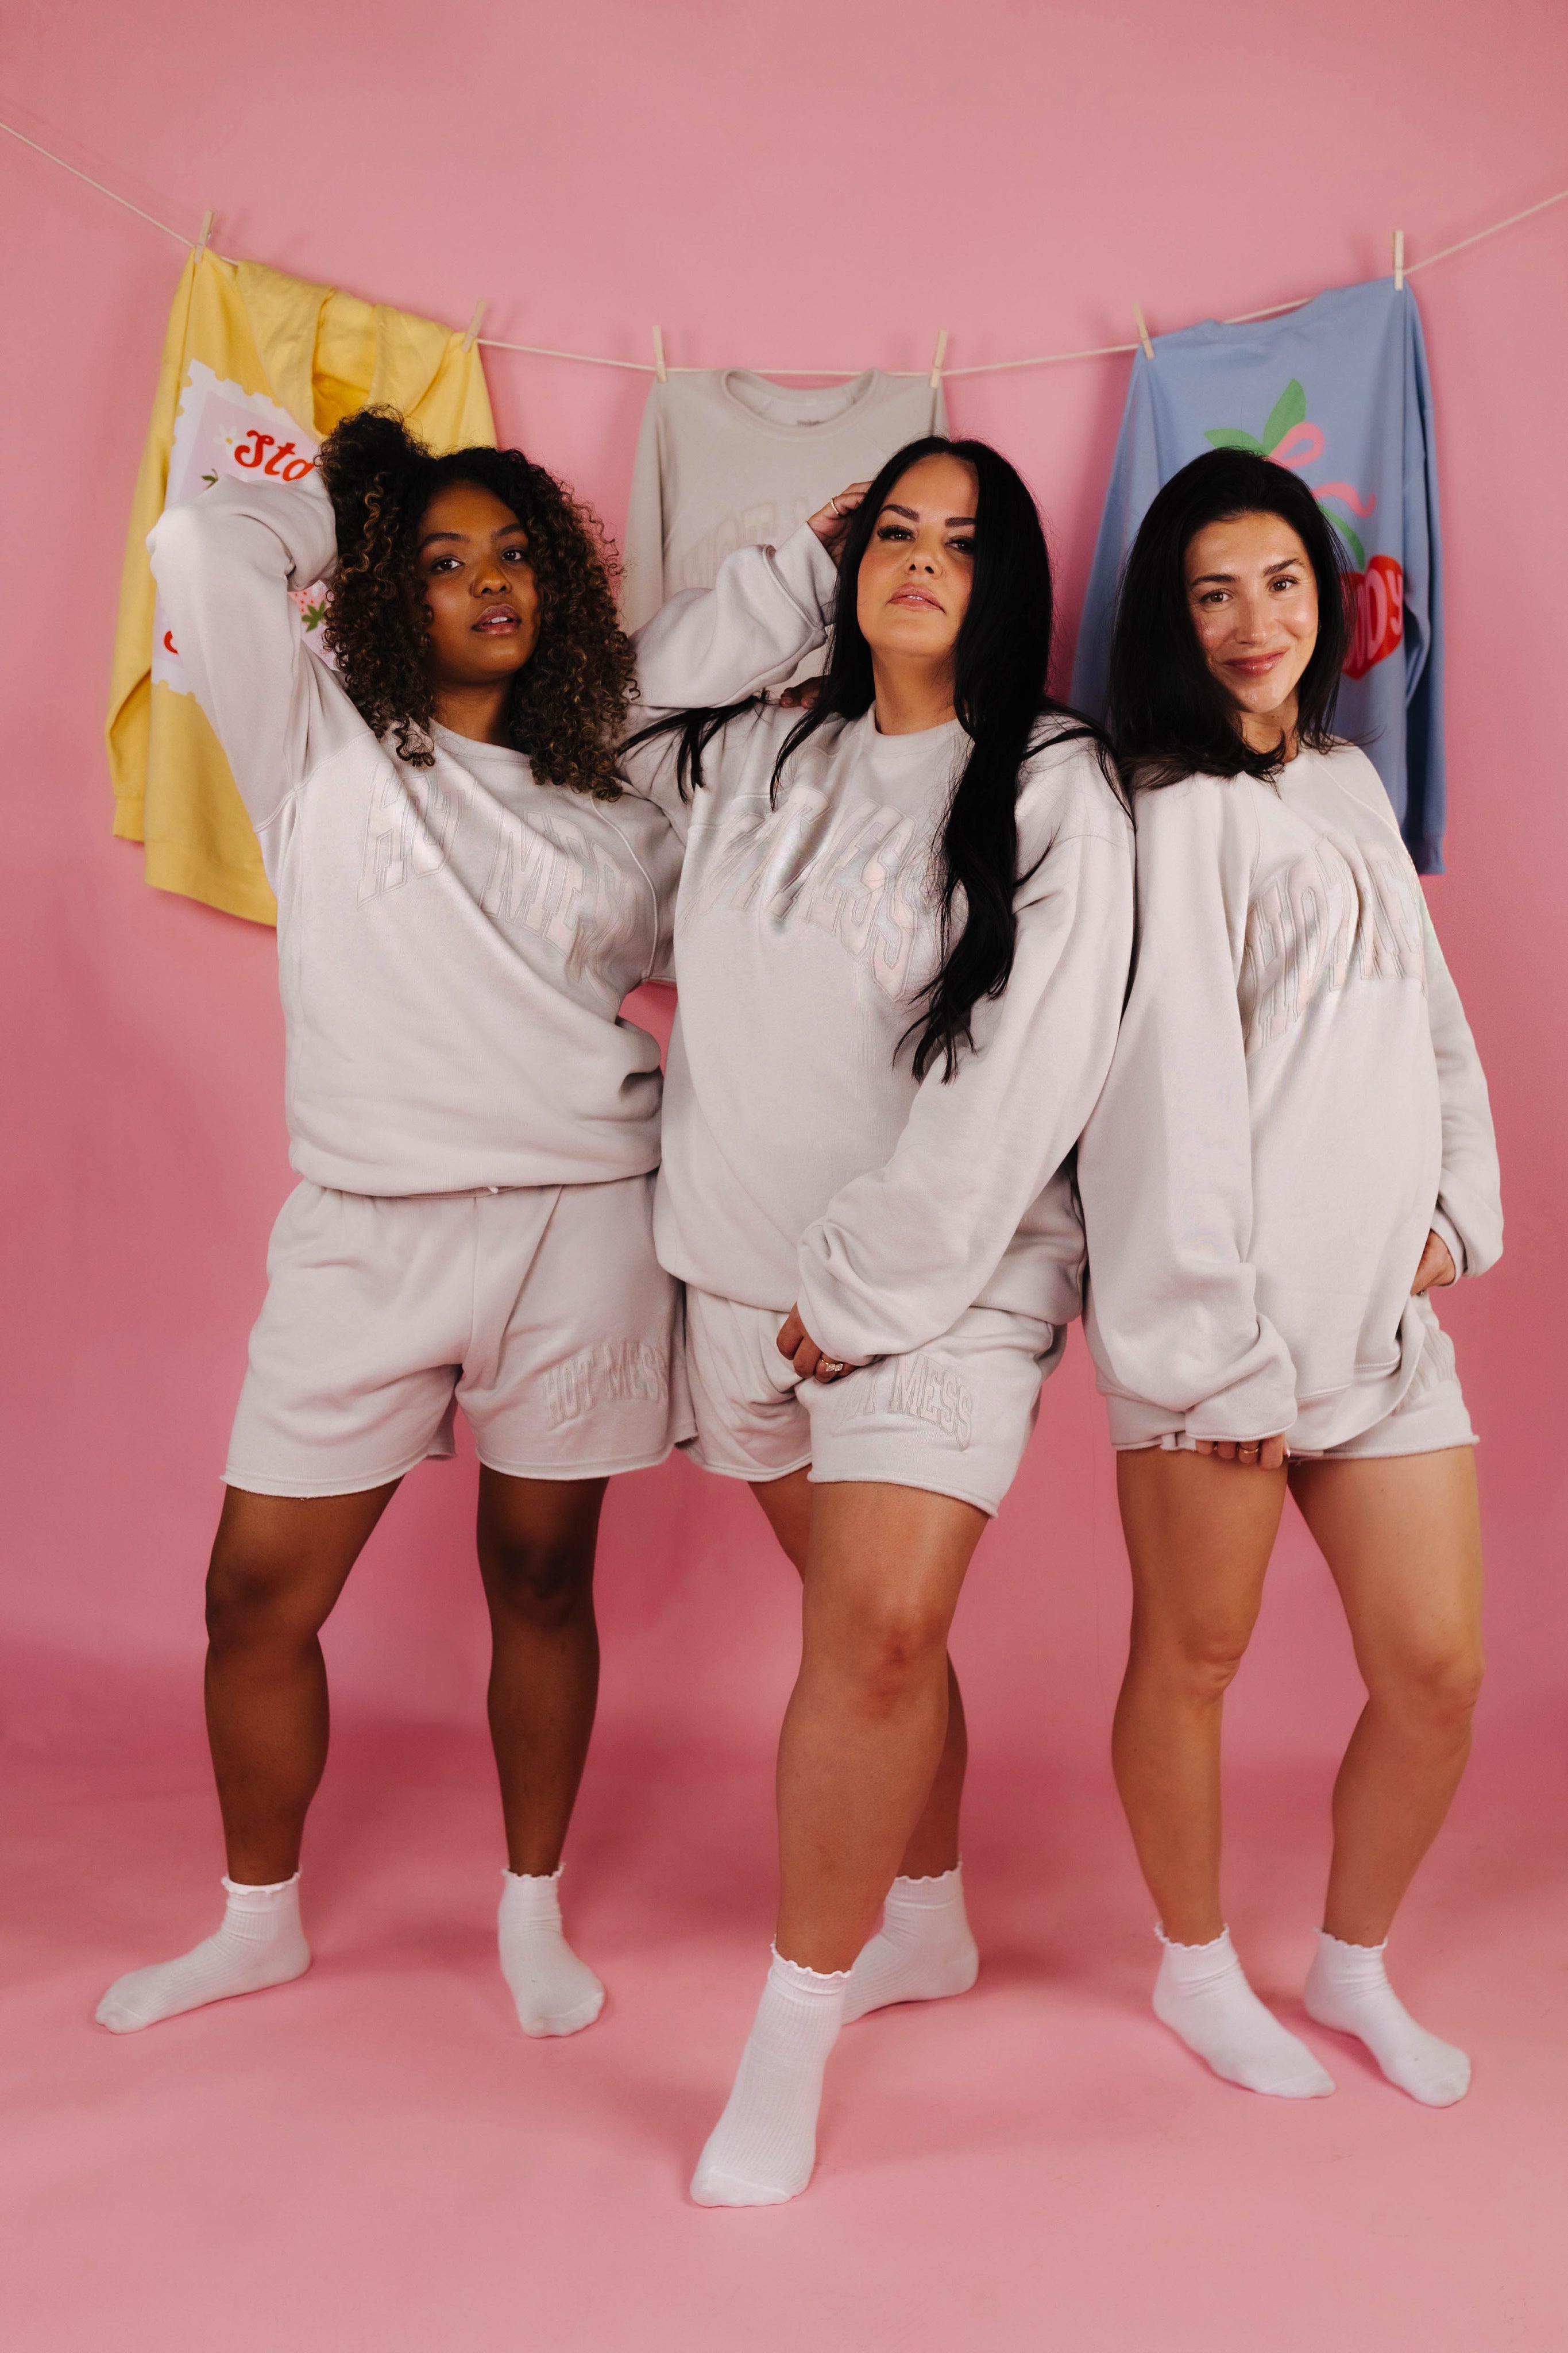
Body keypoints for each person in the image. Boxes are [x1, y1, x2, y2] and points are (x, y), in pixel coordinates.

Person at [95, 408, 851, 2038]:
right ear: (386, 593)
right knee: (254, 1595)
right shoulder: (317, 743)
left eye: (512, 554)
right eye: (440, 564)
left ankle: (530, 1911)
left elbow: (686, 679)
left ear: (558, 587)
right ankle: (254, 1920)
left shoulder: (622, 796)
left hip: (578, 1227)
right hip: (363, 1230)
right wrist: (352, 513)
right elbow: (192, 551)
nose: (485, 583)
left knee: (541, 1579)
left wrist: (815, 566)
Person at [623, 435, 1136, 2202]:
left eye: (962, 539)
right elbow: (622, 705)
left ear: (1012, 581)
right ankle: (924, 1917)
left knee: (879, 1645)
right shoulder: (758, 748)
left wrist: (872, 1295)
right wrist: (782, 568)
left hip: (940, 1287)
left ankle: (788, 2032)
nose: (923, 560)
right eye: (893, 531)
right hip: (737, 1280)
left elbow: (1025, 1071)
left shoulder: (1052, 776)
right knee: (868, 1635)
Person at [1077, 448, 1501, 2108]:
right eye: (1212, 589)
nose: (1253, 620)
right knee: (1190, 1659)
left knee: (1438, 1671)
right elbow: (1160, 1101)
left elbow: (1436, 1030)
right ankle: (1193, 1970)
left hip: (1382, 1330)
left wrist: (1452, 1221)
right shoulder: (1158, 815)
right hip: (1223, 1340)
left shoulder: (1340, 782)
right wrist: (1216, 1348)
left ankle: (1350, 1960)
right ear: (1169, 618)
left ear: (1322, 600)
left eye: (1279, 582)